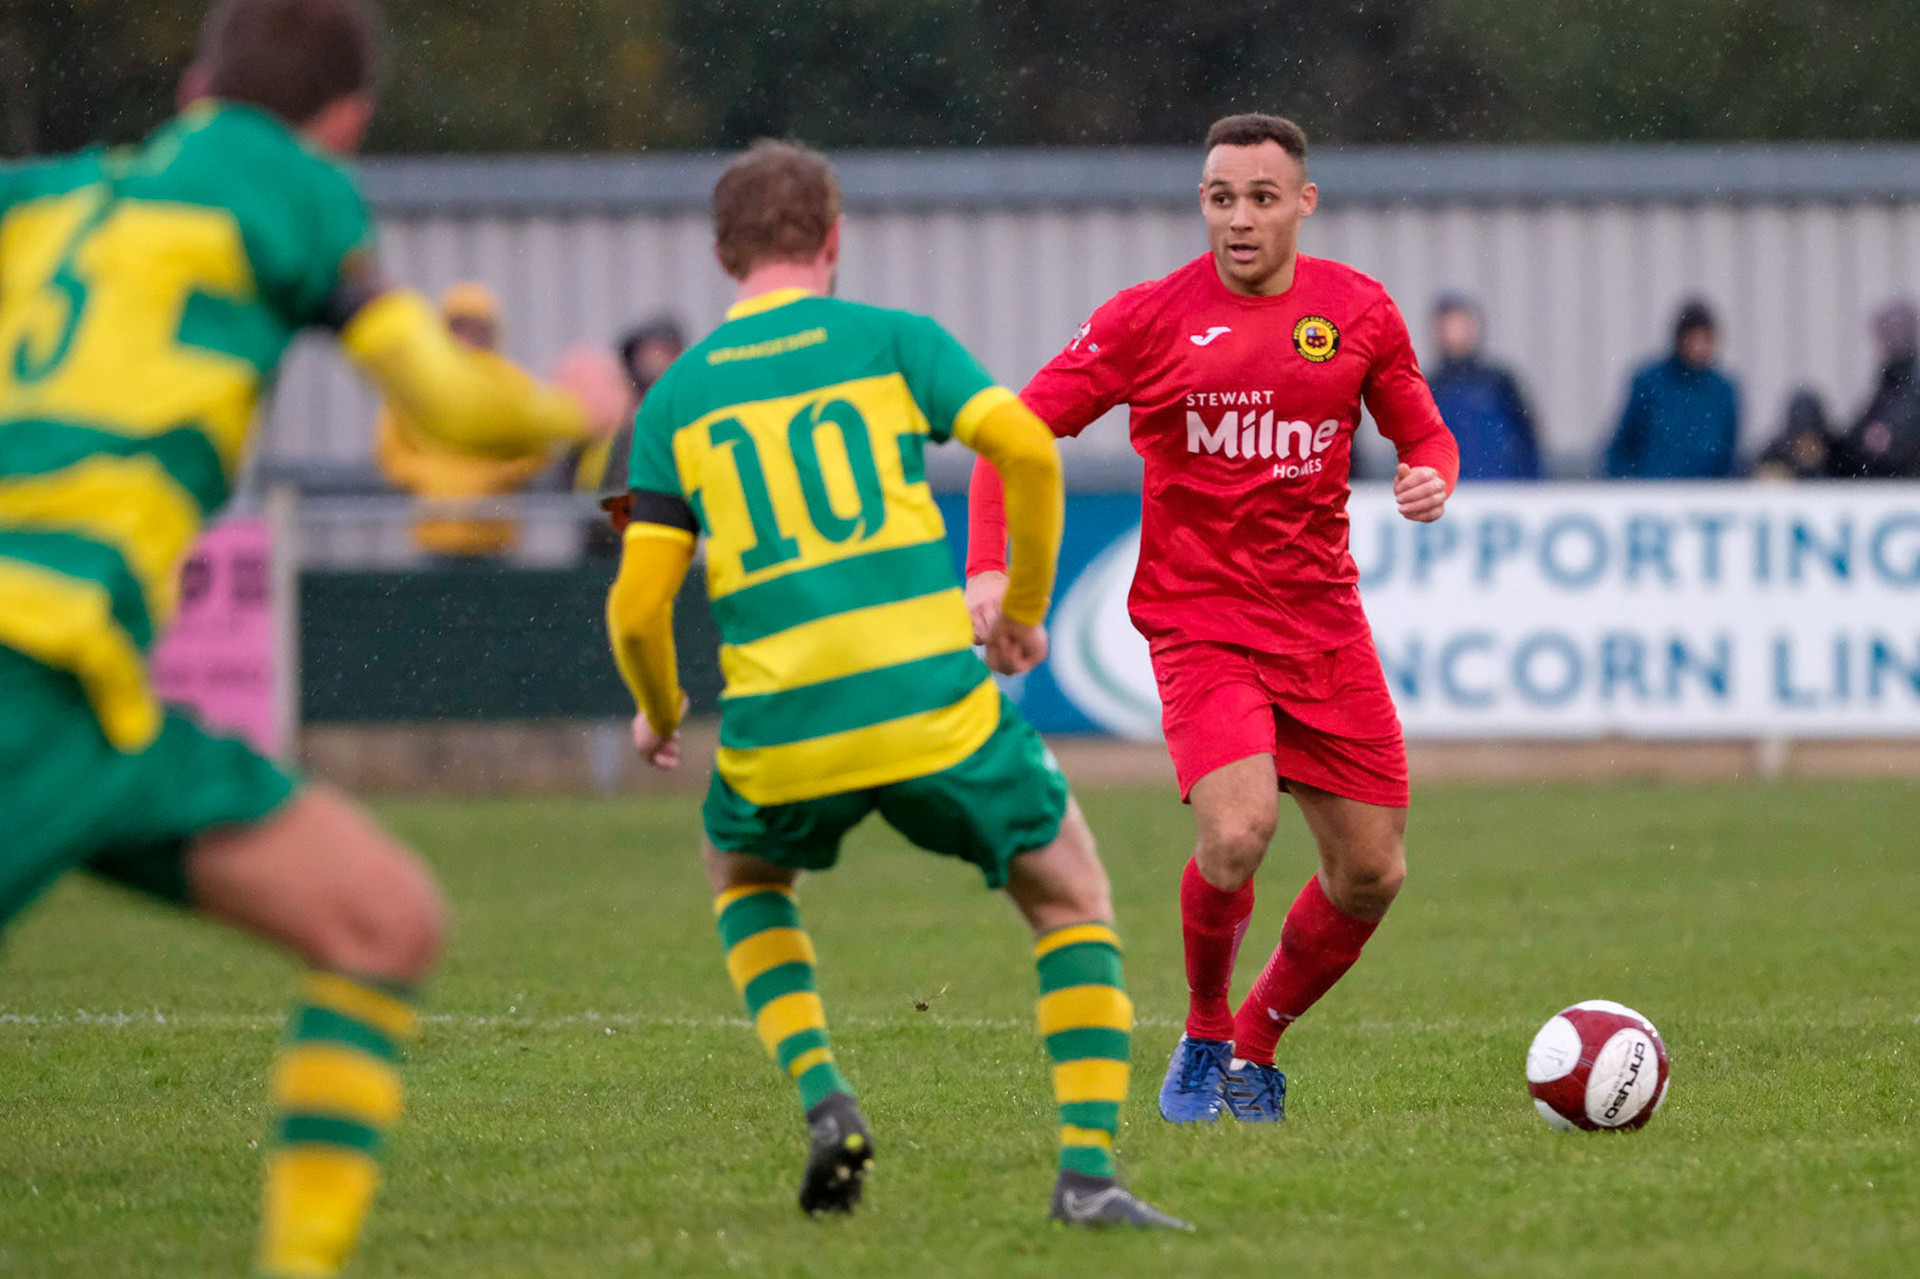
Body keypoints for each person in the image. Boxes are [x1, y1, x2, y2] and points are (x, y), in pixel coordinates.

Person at [0, 3, 626, 1275]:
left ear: (191, 86)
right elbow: (443, 394)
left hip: (94, 702)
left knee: (381, 917)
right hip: (29, 675)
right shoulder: (293, 189)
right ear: (345, 124)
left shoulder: (49, 198)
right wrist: (579, 405)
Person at [604, 139, 1185, 1229]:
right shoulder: (889, 342)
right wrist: (1018, 614)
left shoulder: (674, 399)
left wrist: (662, 706)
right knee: (1071, 894)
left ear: (723, 253)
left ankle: (827, 1100)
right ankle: (1087, 1175)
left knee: (742, 875)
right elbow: (1026, 447)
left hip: (782, 726)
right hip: (932, 710)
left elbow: (636, 608)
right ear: (832, 239)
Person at [966, 114, 1458, 1126]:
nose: (1238, 218)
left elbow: (1428, 433)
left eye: (1261, 198)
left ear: (1303, 205)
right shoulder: (1147, 320)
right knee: (1237, 831)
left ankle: (1257, 1044)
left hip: (1323, 623)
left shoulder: (1359, 313)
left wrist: (1430, 478)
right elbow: (1004, 436)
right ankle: (1201, 1029)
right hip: (1201, 621)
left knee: (1373, 871)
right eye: (1220, 197)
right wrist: (986, 567)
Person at [375, 282, 560, 559]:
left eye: (477, 328)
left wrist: (491, 478)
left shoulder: (511, 385)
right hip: (434, 535)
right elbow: (391, 450)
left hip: (495, 538)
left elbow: (538, 447)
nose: (467, 338)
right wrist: (432, 477)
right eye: (458, 328)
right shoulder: (418, 386)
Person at [576, 317, 686, 556]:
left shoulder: (682, 418)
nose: (656, 361)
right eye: (650, 351)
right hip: (603, 543)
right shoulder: (612, 419)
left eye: (665, 352)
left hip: (659, 543)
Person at [1602, 299, 1740, 479]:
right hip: (1652, 491)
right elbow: (1623, 443)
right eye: (1693, 340)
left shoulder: (1722, 391)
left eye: (1705, 340)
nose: (1699, 348)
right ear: (1680, 340)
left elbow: (1726, 452)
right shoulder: (1650, 382)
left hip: (1703, 495)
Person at [1427, 292, 1541, 480]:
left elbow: (1527, 441)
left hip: (1501, 491)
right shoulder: (1429, 387)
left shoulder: (1498, 382)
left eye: (1460, 324)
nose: (1455, 333)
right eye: (1449, 326)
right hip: (1449, 495)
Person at [1831, 299, 1920, 478]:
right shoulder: (1891, 382)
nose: (1874, 347)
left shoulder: (1907, 386)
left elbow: (1894, 443)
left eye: (1878, 338)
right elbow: (1857, 437)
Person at [1753, 389, 1836, 480]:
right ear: (1791, 440)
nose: (1808, 448)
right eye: (1802, 441)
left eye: (1813, 440)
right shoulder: (1773, 457)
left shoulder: (1840, 457)